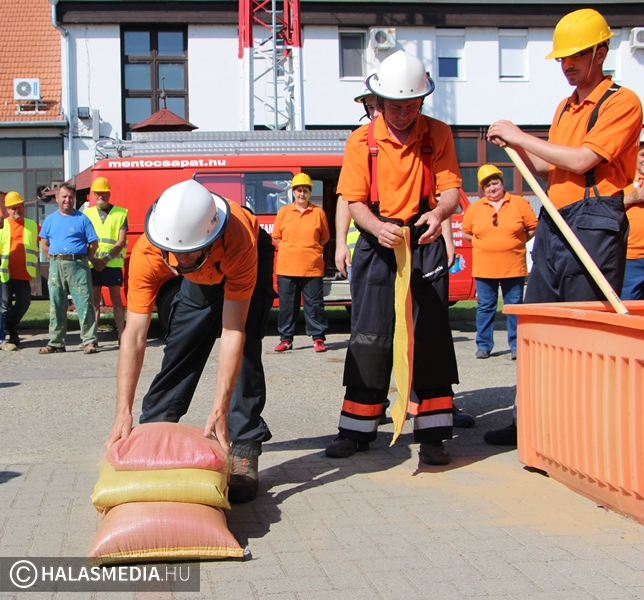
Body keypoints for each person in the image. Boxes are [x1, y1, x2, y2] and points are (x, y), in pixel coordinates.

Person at [485, 8, 643, 445]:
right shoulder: (565, 106)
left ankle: (581, 431)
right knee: (539, 324)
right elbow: (549, 165)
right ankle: (530, 422)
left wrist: (520, 135)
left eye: (576, 56)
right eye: (562, 58)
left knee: (582, 327)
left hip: (595, 222)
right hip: (556, 221)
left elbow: (583, 160)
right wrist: (514, 146)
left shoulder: (622, 102)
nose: (567, 65)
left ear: (600, 52)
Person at [324, 50, 462, 465]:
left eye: (411, 106)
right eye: (395, 106)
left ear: (422, 100)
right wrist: (373, 227)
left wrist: (438, 215)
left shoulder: (438, 133)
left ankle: (433, 433)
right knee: (370, 334)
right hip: (378, 240)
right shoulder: (360, 141)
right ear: (379, 101)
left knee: (430, 334)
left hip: (423, 236)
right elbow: (354, 200)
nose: (403, 114)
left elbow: (450, 191)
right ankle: (357, 430)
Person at [105, 179, 275, 504]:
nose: (182, 260)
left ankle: (243, 443)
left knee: (246, 351)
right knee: (183, 340)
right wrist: (122, 411)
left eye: (190, 254)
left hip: (242, 258)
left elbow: (232, 331)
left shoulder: (237, 240)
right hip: (204, 269)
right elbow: (135, 334)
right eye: (176, 255)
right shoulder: (150, 250)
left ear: (210, 237)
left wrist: (219, 409)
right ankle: (155, 426)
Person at [462, 165, 537, 360]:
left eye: (495, 183)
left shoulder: (520, 203)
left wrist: (517, 241)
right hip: (484, 267)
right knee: (485, 307)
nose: (492, 188)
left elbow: (532, 227)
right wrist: (484, 243)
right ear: (482, 189)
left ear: (502, 183)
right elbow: (466, 232)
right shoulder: (475, 208)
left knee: (514, 306)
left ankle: (517, 345)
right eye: (487, 185)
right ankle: (483, 346)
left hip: (514, 266)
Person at [39, 184, 99, 355]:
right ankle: (56, 342)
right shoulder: (50, 220)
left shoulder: (82, 219)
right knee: (56, 303)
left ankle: (89, 341)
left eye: (70, 197)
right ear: (57, 198)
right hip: (56, 266)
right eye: (64, 196)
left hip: (78, 265)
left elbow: (93, 243)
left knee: (84, 303)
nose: (67, 200)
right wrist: (54, 259)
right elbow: (44, 244)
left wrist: (83, 258)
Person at [273, 173, 330, 353]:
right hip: (287, 266)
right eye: (298, 190)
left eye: (305, 190)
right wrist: (292, 248)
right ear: (293, 192)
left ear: (309, 192)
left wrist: (309, 250)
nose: (302, 194)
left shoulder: (319, 213)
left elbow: (324, 237)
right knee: (287, 305)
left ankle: (318, 338)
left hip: (312, 267)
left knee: (314, 305)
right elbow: (276, 236)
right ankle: (286, 339)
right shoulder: (284, 212)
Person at [84, 177, 128, 341]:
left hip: (112, 264)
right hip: (93, 264)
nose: (100, 196)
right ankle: (92, 338)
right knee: (95, 301)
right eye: (97, 193)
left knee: (116, 300)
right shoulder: (86, 214)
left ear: (109, 194)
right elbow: (83, 240)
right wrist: (95, 260)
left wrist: (105, 260)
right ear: (93, 194)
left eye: (103, 193)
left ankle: (122, 334)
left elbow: (121, 241)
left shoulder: (120, 213)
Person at [0, 192, 39, 351]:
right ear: (7, 210)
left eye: (19, 207)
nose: (17, 210)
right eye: (13, 208)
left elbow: (48, 236)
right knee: (4, 306)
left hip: (24, 274)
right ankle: (7, 335)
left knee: (24, 303)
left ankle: (8, 326)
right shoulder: (2, 224)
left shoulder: (32, 225)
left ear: (23, 207)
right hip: (4, 274)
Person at [621, 143, 644, 300]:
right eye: (643, 155)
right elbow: (604, 209)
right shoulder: (623, 181)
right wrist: (631, 198)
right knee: (629, 305)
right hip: (631, 257)